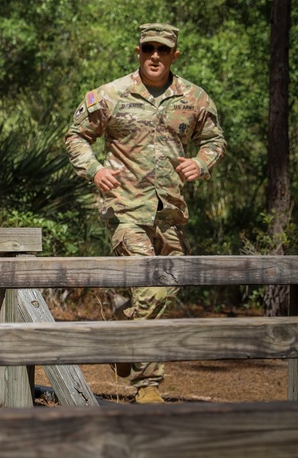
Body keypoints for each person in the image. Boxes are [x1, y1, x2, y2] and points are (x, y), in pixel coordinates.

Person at [64, 23, 226, 404]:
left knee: (168, 283)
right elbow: (76, 136)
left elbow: (215, 140)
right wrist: (95, 170)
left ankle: (122, 332)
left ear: (174, 55)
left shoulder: (194, 98)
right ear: (138, 52)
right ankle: (147, 385)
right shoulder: (111, 95)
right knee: (151, 281)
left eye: (163, 50)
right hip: (124, 210)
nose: (155, 55)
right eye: (148, 48)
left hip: (170, 211)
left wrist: (201, 163)